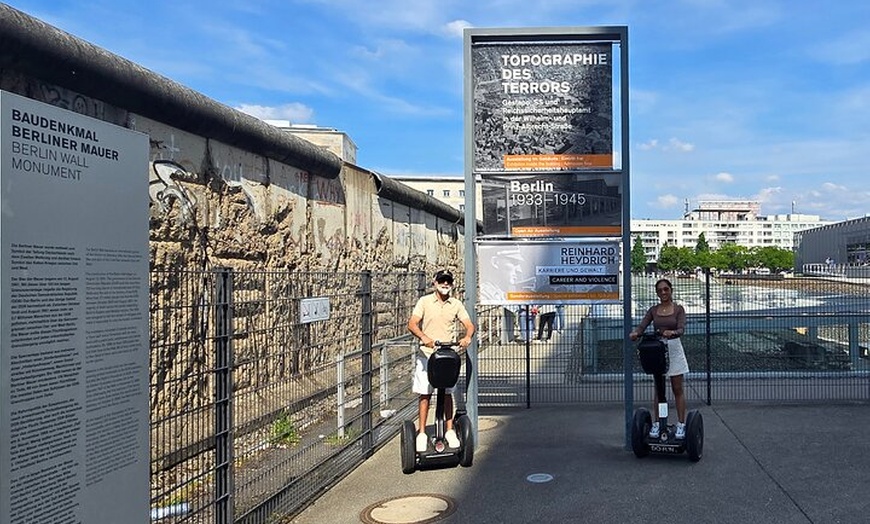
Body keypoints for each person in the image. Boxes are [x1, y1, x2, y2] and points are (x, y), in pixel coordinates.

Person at [407, 269, 476, 453]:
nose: (445, 284)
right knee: (425, 394)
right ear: (435, 282)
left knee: (447, 394)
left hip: (447, 355)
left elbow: (469, 324)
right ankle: (421, 432)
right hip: (427, 355)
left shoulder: (456, 304)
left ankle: (449, 430)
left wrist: (467, 337)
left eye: (448, 281)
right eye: (442, 281)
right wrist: (424, 337)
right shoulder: (424, 302)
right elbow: (412, 323)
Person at [628, 278, 690, 439]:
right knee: (659, 390)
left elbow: (681, 328)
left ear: (671, 290)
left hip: (674, 348)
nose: (663, 292)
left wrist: (673, 332)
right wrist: (636, 333)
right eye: (660, 290)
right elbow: (643, 325)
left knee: (677, 388)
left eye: (666, 289)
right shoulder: (653, 310)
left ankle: (681, 424)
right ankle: (658, 423)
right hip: (657, 351)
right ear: (657, 293)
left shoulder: (678, 309)